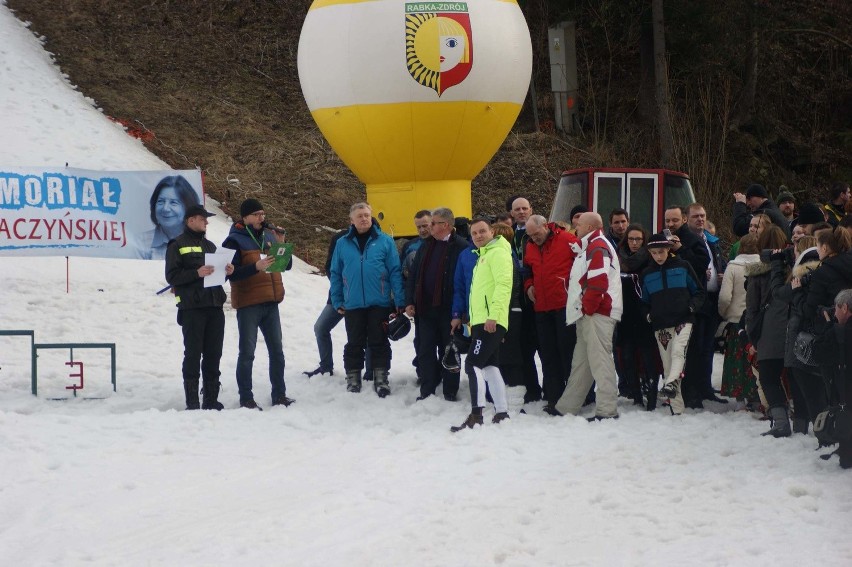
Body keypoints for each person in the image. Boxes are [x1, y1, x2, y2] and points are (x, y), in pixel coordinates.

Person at [222, 198, 294, 410]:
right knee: (247, 353)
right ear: (245, 218)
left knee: (277, 351)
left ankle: (279, 395)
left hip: (271, 302)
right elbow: (231, 276)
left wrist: (281, 244)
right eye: (256, 215)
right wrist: (256, 266)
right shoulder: (233, 241)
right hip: (248, 304)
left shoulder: (269, 236)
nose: (261, 218)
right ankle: (246, 398)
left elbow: (286, 266)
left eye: (263, 214)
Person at [549, 212, 623, 420]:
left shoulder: (596, 246)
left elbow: (598, 281)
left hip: (597, 312)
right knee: (582, 363)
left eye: (579, 225)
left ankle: (607, 410)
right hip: (592, 312)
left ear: (590, 228)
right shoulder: (592, 246)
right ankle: (566, 407)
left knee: (600, 361)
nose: (576, 228)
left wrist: (588, 308)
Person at [330, 202, 405, 397]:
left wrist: (399, 299)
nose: (364, 219)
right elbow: (336, 273)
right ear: (351, 220)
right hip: (352, 304)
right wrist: (337, 300)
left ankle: (381, 379)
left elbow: (395, 272)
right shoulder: (342, 243)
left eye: (367, 215)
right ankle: (353, 378)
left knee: (379, 342)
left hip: (379, 302)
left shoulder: (385, 241)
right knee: (354, 342)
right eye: (360, 216)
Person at [165, 205, 233, 410]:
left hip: (214, 306)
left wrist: (227, 270)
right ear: (190, 220)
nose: (207, 222)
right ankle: (192, 401)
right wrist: (196, 273)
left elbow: (217, 275)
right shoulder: (177, 245)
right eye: (203, 219)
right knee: (193, 354)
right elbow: (172, 276)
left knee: (214, 353)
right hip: (192, 308)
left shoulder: (211, 246)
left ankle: (211, 399)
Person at [450, 218, 514, 431]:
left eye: (482, 231)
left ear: (492, 231)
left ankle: (476, 414)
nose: (478, 236)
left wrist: (494, 316)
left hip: (489, 320)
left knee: (472, 364)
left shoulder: (497, 253)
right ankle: (502, 412)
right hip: (480, 320)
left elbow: (504, 285)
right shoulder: (483, 255)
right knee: (489, 365)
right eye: (474, 233)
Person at [405, 207, 470, 401]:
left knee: (449, 350)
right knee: (424, 350)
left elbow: (465, 282)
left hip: (449, 311)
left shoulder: (461, 247)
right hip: (425, 309)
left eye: (434, 223)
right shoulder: (425, 245)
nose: (429, 227)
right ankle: (427, 389)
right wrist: (409, 301)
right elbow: (413, 276)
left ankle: (450, 391)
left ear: (446, 225)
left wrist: (461, 313)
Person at [640, 233, 705, 415]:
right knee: (668, 365)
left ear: (669, 250)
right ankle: (677, 411)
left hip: (684, 320)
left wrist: (692, 307)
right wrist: (648, 316)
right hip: (660, 324)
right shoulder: (647, 274)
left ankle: (669, 384)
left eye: (661, 251)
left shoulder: (683, 266)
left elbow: (699, 291)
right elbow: (644, 301)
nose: (658, 256)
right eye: (654, 253)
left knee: (678, 351)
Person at [523, 214, 579, 409]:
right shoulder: (529, 245)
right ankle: (554, 396)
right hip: (541, 307)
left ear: (545, 226)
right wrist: (529, 285)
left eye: (537, 233)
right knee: (548, 353)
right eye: (530, 235)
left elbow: (582, 264)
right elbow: (527, 270)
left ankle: (575, 396)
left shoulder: (567, 239)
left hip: (564, 304)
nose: (534, 238)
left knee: (567, 351)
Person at [744, 225, 792, 436]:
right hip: (793, 326)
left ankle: (781, 423)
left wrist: (753, 337)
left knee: (769, 378)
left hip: (769, 331)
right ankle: (803, 422)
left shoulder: (757, 274)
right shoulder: (794, 267)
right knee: (797, 378)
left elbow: (752, 309)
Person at [663, 204, 711, 408]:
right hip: (667, 303)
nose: (671, 224)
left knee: (691, 353)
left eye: (674, 220)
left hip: (691, 303)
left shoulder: (693, 239)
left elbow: (703, 262)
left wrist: (680, 250)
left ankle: (692, 393)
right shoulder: (661, 236)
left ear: (683, 220)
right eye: (667, 221)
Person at [685, 203, 728, 404]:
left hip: (712, 299)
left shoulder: (710, 240)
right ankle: (692, 391)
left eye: (702, 215)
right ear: (687, 219)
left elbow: (719, 262)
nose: (700, 219)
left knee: (708, 347)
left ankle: (705, 387)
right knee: (695, 347)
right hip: (695, 300)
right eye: (695, 216)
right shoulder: (686, 240)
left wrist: (722, 275)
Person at [615, 224, 659, 409]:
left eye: (638, 239)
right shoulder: (618, 257)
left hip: (644, 312)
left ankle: (652, 390)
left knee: (648, 355)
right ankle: (635, 393)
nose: (634, 243)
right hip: (624, 313)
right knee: (627, 355)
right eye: (631, 239)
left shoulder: (650, 260)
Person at [718, 233, 760, 403]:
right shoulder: (763, 265)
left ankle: (740, 399)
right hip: (757, 320)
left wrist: (723, 313)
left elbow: (725, 297)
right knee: (754, 361)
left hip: (736, 320)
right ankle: (757, 397)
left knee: (737, 361)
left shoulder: (733, 267)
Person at [510, 196, 542, 403]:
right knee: (524, 348)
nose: (521, 212)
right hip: (518, 300)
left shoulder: (539, 232)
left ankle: (552, 387)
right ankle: (532, 388)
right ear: (512, 213)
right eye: (517, 209)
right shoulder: (509, 235)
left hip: (539, 298)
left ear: (531, 209)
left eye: (524, 208)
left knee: (546, 348)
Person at [141, 175, 200, 260]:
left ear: (188, 207)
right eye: (161, 201)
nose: (165, 208)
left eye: (173, 202)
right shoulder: (140, 243)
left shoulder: (199, 242)